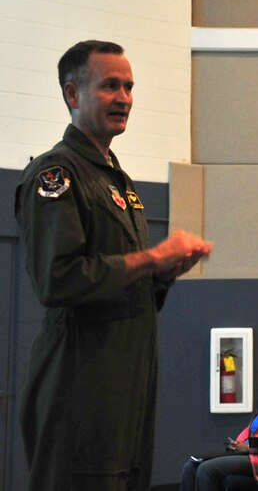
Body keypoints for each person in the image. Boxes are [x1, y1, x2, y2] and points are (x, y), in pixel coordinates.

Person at [16, 40, 213, 491]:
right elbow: (57, 280)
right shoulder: (58, 174)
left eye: (129, 87)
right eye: (110, 86)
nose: (124, 98)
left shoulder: (118, 181)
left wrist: (161, 274)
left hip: (126, 385)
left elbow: (123, 287)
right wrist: (151, 257)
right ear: (73, 94)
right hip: (80, 386)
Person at [181, 353, 258, 491]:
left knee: (206, 470)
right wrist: (238, 443)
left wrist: (249, 446)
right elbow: (250, 430)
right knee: (191, 466)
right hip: (249, 453)